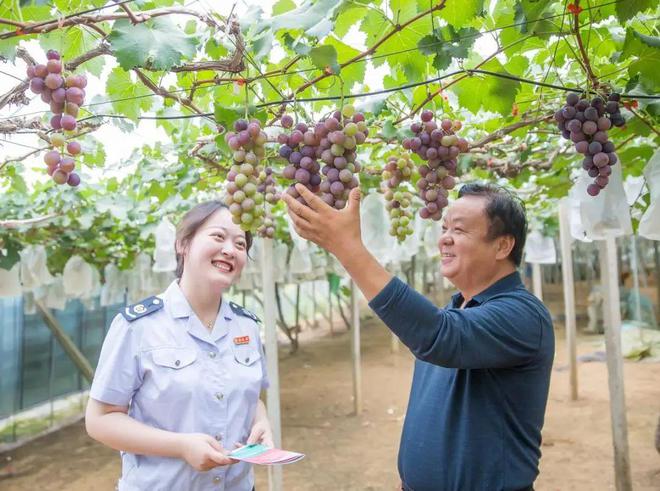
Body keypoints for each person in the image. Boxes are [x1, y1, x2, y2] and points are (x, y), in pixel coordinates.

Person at [283, 182, 554, 491]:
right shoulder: (456, 311)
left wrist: (348, 249)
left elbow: (438, 336)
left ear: (503, 246)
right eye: (445, 228)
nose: (445, 239)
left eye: (460, 230)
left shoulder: (523, 316)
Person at [85, 201, 272, 491]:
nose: (230, 249)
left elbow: (251, 397)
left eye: (240, 243)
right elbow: (100, 420)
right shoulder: (138, 326)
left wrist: (262, 422)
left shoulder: (246, 325)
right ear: (183, 245)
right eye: (218, 237)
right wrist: (181, 446)